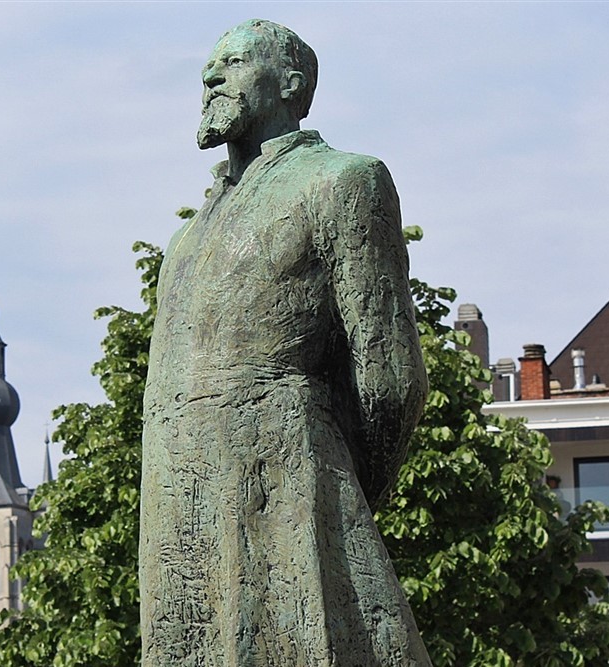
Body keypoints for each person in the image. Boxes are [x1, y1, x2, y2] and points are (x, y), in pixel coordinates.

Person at [140, 19, 431, 666]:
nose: (211, 77)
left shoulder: (343, 182)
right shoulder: (186, 240)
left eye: (235, 62)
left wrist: (332, 484)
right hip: (177, 517)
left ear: (293, 84)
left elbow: (390, 378)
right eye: (209, 67)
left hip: (288, 489)